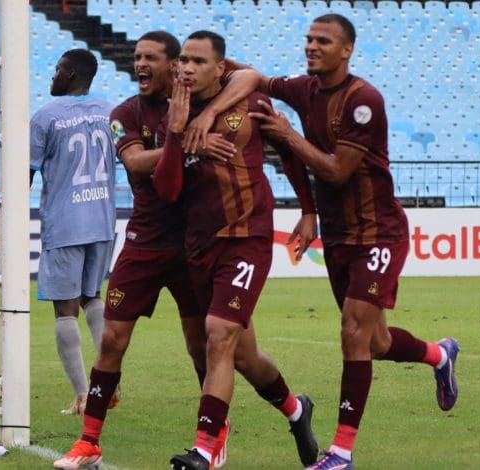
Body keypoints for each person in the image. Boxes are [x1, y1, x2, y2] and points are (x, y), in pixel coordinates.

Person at [188, 14, 460, 470]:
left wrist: (287, 134)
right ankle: (439, 354)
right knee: (374, 341)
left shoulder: (363, 100)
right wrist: (207, 81)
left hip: (379, 232)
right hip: (339, 236)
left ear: (347, 50)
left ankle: (341, 453)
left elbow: (337, 170)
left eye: (323, 41)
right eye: (309, 39)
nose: (312, 46)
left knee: (353, 333)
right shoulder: (303, 88)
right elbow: (251, 75)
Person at [52, 31, 239, 470]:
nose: (139, 64)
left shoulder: (205, 103)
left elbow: (247, 77)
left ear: (175, 65)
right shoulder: (125, 113)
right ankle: (89, 442)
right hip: (145, 242)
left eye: (151, 57)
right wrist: (187, 138)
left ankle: (213, 435)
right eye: (136, 57)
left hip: (194, 244)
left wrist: (200, 119)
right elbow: (135, 162)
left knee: (200, 346)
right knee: (113, 340)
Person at [153, 30, 320, 470]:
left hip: (247, 238)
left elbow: (288, 153)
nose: (186, 68)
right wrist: (177, 135)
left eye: (197, 61)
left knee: (218, 335)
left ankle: (205, 448)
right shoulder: (171, 109)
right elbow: (167, 189)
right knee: (243, 355)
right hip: (199, 244)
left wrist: (308, 209)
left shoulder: (251, 103)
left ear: (220, 67)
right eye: (183, 60)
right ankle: (297, 411)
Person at [29, 49, 117, 419]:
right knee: (92, 298)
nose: (52, 76)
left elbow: (25, 173)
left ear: (70, 74)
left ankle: (85, 394)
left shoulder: (46, 117)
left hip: (65, 224)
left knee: (65, 310)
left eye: (56, 69)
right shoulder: (112, 113)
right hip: (102, 220)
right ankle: (108, 387)